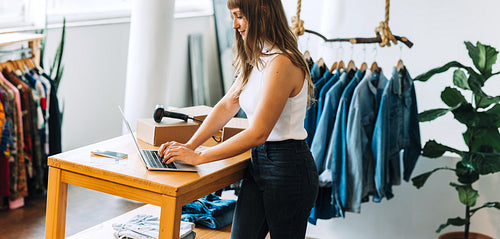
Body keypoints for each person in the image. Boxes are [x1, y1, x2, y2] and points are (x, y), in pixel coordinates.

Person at [158, 0, 319, 238]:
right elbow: (226, 106)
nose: (234, 25)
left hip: (289, 168)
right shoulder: (258, 59)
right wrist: (189, 146)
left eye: (240, 16)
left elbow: (258, 132)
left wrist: (200, 156)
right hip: (259, 164)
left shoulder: (282, 62)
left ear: (262, 11)